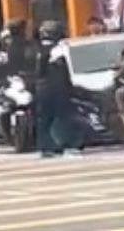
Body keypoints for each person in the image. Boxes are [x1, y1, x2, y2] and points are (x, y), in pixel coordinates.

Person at [34, 20, 76, 158]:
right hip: (56, 89)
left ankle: (47, 147)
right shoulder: (57, 50)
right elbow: (64, 72)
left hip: (43, 89)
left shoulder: (38, 49)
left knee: (46, 119)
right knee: (61, 118)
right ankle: (63, 146)